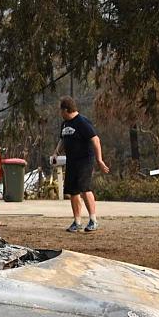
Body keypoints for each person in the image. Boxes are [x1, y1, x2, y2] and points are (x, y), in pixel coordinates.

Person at [59, 96, 110, 232]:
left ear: (66, 109)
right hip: (71, 162)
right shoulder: (65, 124)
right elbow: (63, 140)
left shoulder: (82, 122)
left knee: (84, 188)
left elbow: (96, 140)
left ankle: (93, 220)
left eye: (61, 111)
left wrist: (99, 160)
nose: (60, 114)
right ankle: (77, 222)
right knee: (72, 191)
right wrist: (55, 152)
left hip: (84, 161)